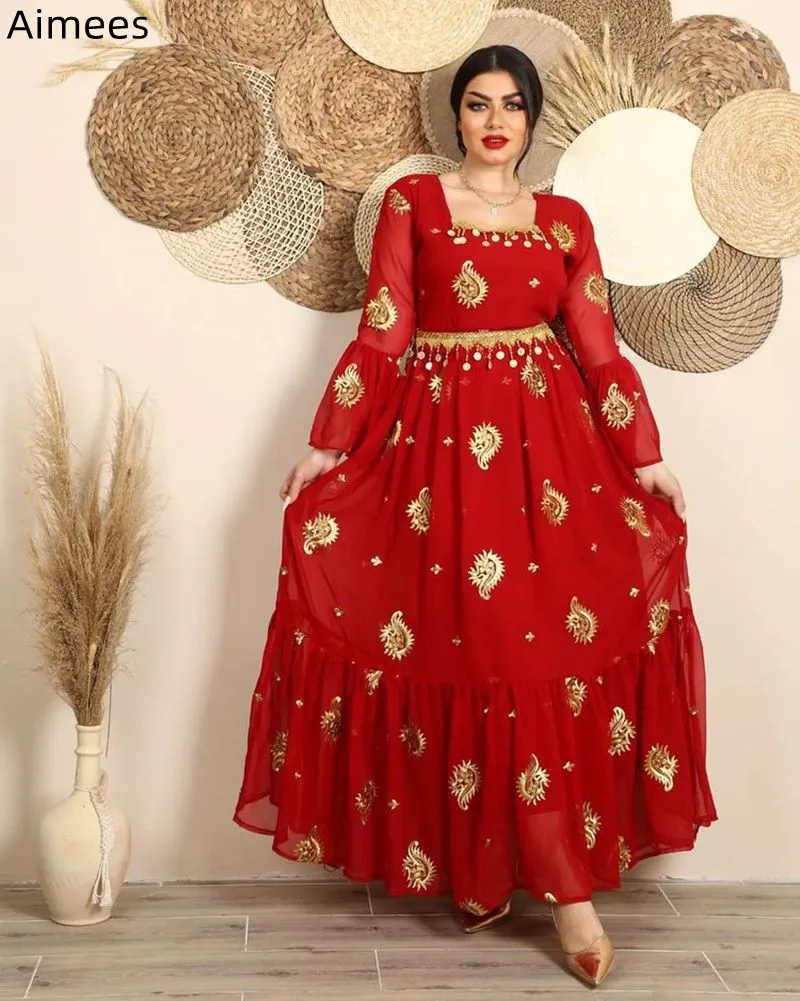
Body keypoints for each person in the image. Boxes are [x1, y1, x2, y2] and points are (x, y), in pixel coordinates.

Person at [234, 44, 717, 988]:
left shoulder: (566, 221)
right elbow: (383, 331)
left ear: (532, 119)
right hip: (434, 457)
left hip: (549, 457)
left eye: (512, 106)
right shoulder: (413, 205)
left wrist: (645, 457)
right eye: (478, 104)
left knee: (531, 652)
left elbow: (598, 345)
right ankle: (483, 868)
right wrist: (329, 444)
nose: (496, 122)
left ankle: (563, 890)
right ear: (455, 115)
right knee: (464, 647)